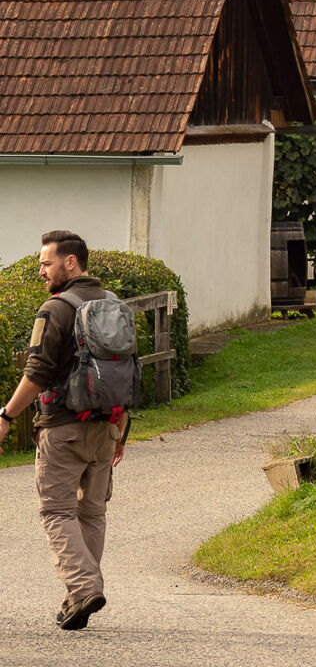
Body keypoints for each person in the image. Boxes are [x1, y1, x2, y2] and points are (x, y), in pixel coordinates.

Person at [0, 231, 128, 631]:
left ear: (70, 263)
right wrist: (120, 431)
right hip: (107, 427)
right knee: (91, 512)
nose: (41, 271)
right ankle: (78, 598)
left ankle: (85, 587)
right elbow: (125, 374)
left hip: (64, 428)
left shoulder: (56, 308)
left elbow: (36, 372)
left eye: (46, 263)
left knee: (56, 510)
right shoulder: (116, 306)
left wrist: (6, 416)